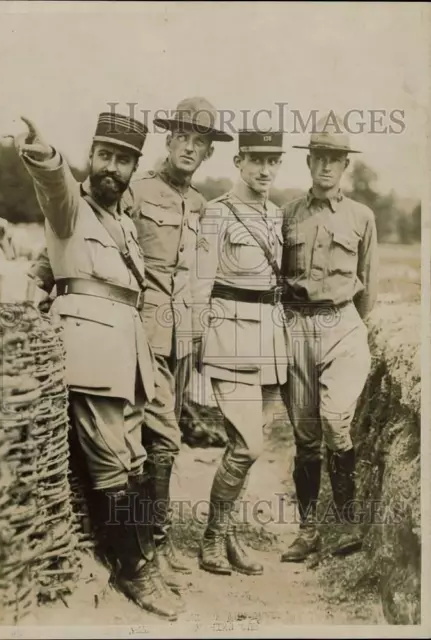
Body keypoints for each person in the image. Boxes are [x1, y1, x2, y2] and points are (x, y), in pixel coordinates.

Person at [27, 98, 234, 589]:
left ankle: (144, 549)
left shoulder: (195, 205)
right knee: (143, 447)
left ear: (208, 152)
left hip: (164, 340)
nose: (190, 147)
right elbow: (61, 213)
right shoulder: (129, 195)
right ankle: (144, 556)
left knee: (156, 445)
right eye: (183, 136)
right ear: (169, 141)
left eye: (200, 142)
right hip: (128, 336)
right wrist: (43, 155)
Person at [13, 112, 181, 620]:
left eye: (123, 160)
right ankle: (134, 572)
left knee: (134, 462)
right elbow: (54, 184)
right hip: (88, 356)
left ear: (133, 168)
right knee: (112, 463)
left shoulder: (126, 225)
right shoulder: (70, 210)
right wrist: (44, 154)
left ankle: (142, 555)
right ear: (90, 156)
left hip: (126, 358)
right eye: (104, 156)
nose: (111, 168)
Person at [280, 114, 378, 563]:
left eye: (334, 159)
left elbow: (368, 286)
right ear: (309, 162)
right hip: (298, 325)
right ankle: (308, 531)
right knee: (305, 436)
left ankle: (347, 523)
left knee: (337, 421)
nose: (326, 167)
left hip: (342, 325)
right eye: (319, 157)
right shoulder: (288, 214)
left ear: (345, 167)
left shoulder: (362, 217)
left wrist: (354, 330)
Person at [196, 130, 288, 575]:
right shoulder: (216, 214)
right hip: (230, 336)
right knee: (248, 445)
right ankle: (212, 538)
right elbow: (200, 283)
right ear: (239, 161)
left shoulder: (277, 216)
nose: (265, 170)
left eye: (273, 161)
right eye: (257, 160)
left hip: (271, 339)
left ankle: (228, 536)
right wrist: (196, 346)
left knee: (246, 444)